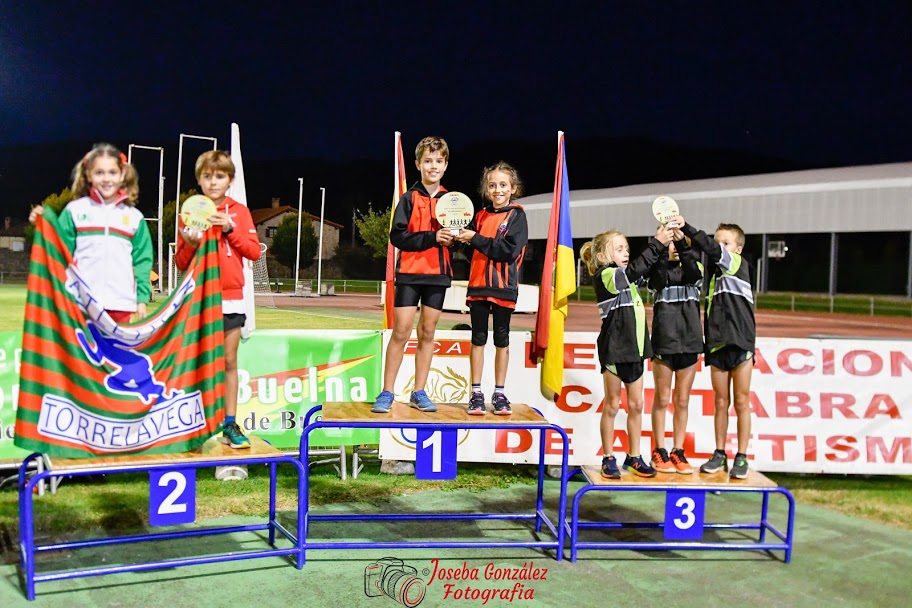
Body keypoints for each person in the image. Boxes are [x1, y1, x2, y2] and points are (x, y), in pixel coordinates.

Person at [175, 150, 261, 448]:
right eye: (207, 176)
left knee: (228, 360)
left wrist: (229, 229)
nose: (213, 182)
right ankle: (191, 427)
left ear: (230, 180)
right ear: (199, 180)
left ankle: (229, 424)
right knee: (197, 364)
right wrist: (189, 244)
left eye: (220, 176)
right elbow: (181, 262)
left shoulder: (239, 211)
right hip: (199, 300)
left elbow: (254, 252)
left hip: (231, 298)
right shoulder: (190, 212)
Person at [580, 225, 674, 478]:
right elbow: (634, 271)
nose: (625, 253)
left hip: (635, 349)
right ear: (602, 256)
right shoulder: (606, 275)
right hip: (614, 350)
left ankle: (634, 456)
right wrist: (656, 242)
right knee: (612, 405)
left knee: (637, 405)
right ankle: (608, 457)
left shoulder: (628, 278)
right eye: (619, 249)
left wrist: (662, 250)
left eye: (626, 249)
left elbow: (653, 275)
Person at [372, 137, 455, 414]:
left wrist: (455, 239)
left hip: (438, 275)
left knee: (428, 332)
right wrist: (433, 237)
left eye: (439, 161)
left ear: (445, 165)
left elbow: (456, 240)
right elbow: (398, 236)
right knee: (401, 330)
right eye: (428, 161)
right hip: (409, 273)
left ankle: (419, 392)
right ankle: (387, 391)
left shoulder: (452, 202)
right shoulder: (409, 198)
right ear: (418, 164)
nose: (433, 166)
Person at [29, 143, 152, 324]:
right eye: (99, 172)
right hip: (80, 304)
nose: (106, 178)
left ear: (122, 175)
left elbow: (142, 261)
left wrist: (142, 299)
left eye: (112, 172)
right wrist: (41, 225)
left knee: (115, 345)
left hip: (121, 304)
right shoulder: (74, 211)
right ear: (89, 175)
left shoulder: (134, 217)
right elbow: (58, 251)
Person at [675, 216, 755, 480]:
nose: (719, 246)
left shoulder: (737, 265)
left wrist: (686, 228)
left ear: (738, 249)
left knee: (741, 401)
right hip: (717, 344)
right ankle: (719, 453)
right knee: (721, 402)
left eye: (726, 243)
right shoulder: (713, 276)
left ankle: (741, 456)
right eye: (718, 241)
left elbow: (709, 248)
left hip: (741, 342)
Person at [454, 162, 529, 416]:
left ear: (513, 188)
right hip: (478, 286)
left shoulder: (517, 216)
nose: (498, 190)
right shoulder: (480, 216)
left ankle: (499, 392)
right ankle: (476, 393)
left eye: (503, 185)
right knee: (478, 338)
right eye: (493, 185)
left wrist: (473, 238)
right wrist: (458, 238)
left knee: (501, 340)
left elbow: (507, 250)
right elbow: (470, 249)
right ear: (487, 189)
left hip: (503, 287)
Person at [647, 232, 703, 474]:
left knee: (682, 400)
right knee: (661, 399)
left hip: (690, 343)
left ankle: (677, 451)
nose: (676, 248)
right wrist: (661, 249)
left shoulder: (695, 267)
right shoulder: (657, 270)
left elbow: (693, 273)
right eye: (670, 244)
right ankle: (659, 450)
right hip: (664, 343)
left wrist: (680, 240)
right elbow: (658, 281)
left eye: (680, 244)